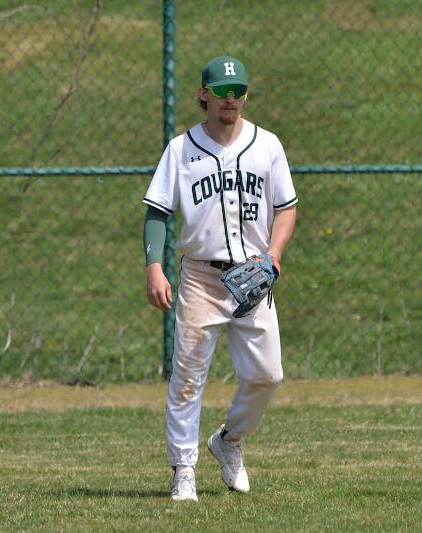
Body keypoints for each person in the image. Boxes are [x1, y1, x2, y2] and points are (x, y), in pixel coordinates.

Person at [142, 55, 297, 502]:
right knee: (188, 375)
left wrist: (274, 255)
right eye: (222, 92)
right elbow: (157, 210)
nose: (231, 100)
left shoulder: (267, 145)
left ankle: (228, 441)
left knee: (267, 374)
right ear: (203, 95)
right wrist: (154, 266)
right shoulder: (181, 149)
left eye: (238, 91)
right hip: (200, 278)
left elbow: (286, 207)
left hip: (253, 276)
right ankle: (184, 469)